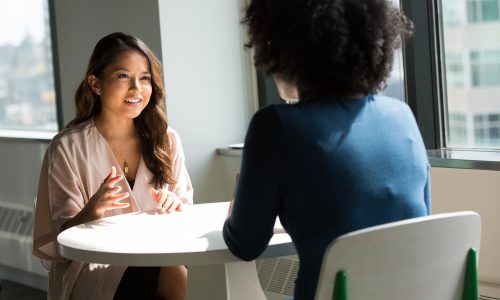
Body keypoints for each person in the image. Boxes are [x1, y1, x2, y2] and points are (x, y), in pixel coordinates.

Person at [223, 1, 431, 299]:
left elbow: (245, 245)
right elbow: (422, 228)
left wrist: (237, 209)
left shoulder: (276, 126)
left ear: (285, 47)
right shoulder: (403, 116)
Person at [33, 32, 193, 300]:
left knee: (178, 269)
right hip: (93, 266)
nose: (136, 89)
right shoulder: (67, 148)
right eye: (123, 77)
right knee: (172, 272)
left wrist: (173, 204)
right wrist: (92, 211)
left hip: (158, 254)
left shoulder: (167, 140)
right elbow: (60, 242)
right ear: (96, 84)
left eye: (145, 78)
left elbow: (185, 213)